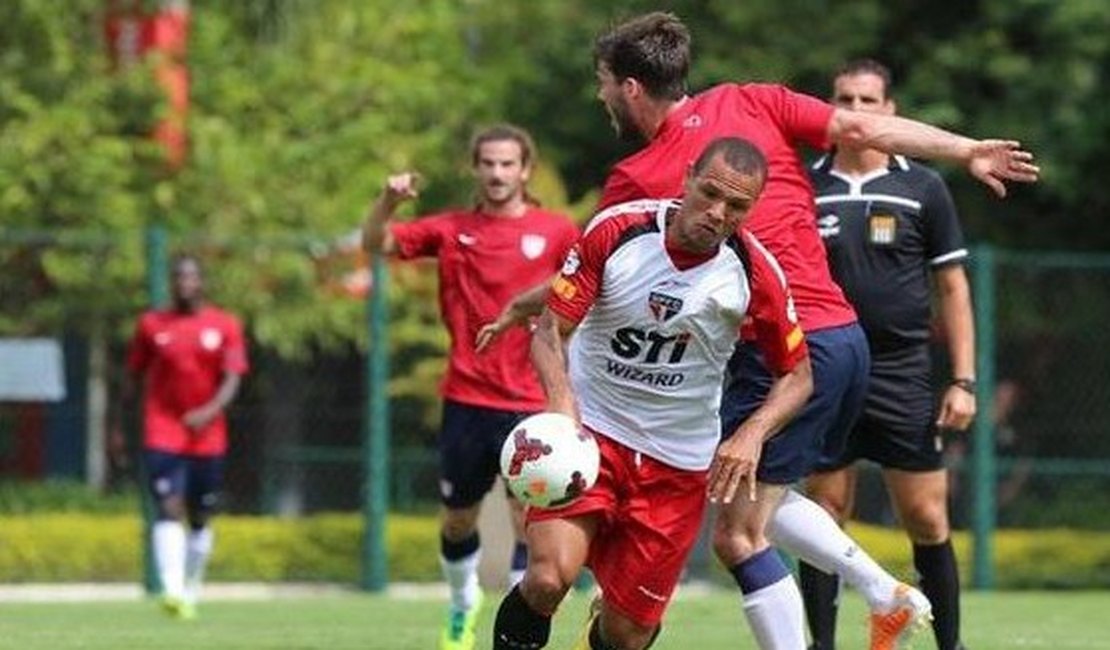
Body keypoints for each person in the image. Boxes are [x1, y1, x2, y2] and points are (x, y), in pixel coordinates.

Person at [586, 12, 1038, 650]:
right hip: (839, 340)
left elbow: (601, 281)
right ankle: (885, 594)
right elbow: (861, 128)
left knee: (738, 535)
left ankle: (882, 598)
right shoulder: (752, 100)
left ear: (630, 87)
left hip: (786, 357)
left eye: (604, 82)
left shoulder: (634, 181)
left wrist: (536, 315)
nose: (602, 95)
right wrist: (966, 148)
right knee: (728, 484)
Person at [492, 137, 814, 650]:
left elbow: (799, 375)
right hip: (591, 437)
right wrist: (561, 407)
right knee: (548, 578)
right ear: (687, 177)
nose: (717, 212)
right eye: (709, 193)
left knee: (627, 633)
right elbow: (550, 331)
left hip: (676, 466)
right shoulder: (618, 230)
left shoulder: (754, 272)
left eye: (736, 206)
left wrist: (752, 433)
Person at [360, 124, 579, 650]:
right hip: (466, 398)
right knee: (458, 522)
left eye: (508, 164)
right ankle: (462, 604)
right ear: (475, 169)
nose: (498, 173)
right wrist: (388, 201)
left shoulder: (557, 231)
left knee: (529, 524)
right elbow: (375, 243)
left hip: (531, 403)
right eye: (488, 164)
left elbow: (583, 293)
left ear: (525, 170)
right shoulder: (450, 228)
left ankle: (519, 630)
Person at [801, 58, 977, 650]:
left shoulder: (922, 185)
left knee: (927, 517)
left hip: (902, 373)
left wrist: (964, 380)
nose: (855, 110)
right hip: (825, 367)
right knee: (823, 516)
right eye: (843, 98)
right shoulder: (805, 184)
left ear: (890, 111)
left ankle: (948, 644)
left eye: (867, 100)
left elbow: (952, 288)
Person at [122, 254, 248, 620]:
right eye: (177, 277)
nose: (183, 283)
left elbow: (233, 377)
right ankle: (172, 591)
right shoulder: (151, 324)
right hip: (162, 429)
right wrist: (117, 425)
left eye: (191, 277)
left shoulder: (224, 324)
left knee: (200, 515)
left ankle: (191, 586)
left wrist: (209, 411)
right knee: (167, 506)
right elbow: (132, 376)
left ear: (202, 282)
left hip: (208, 435)